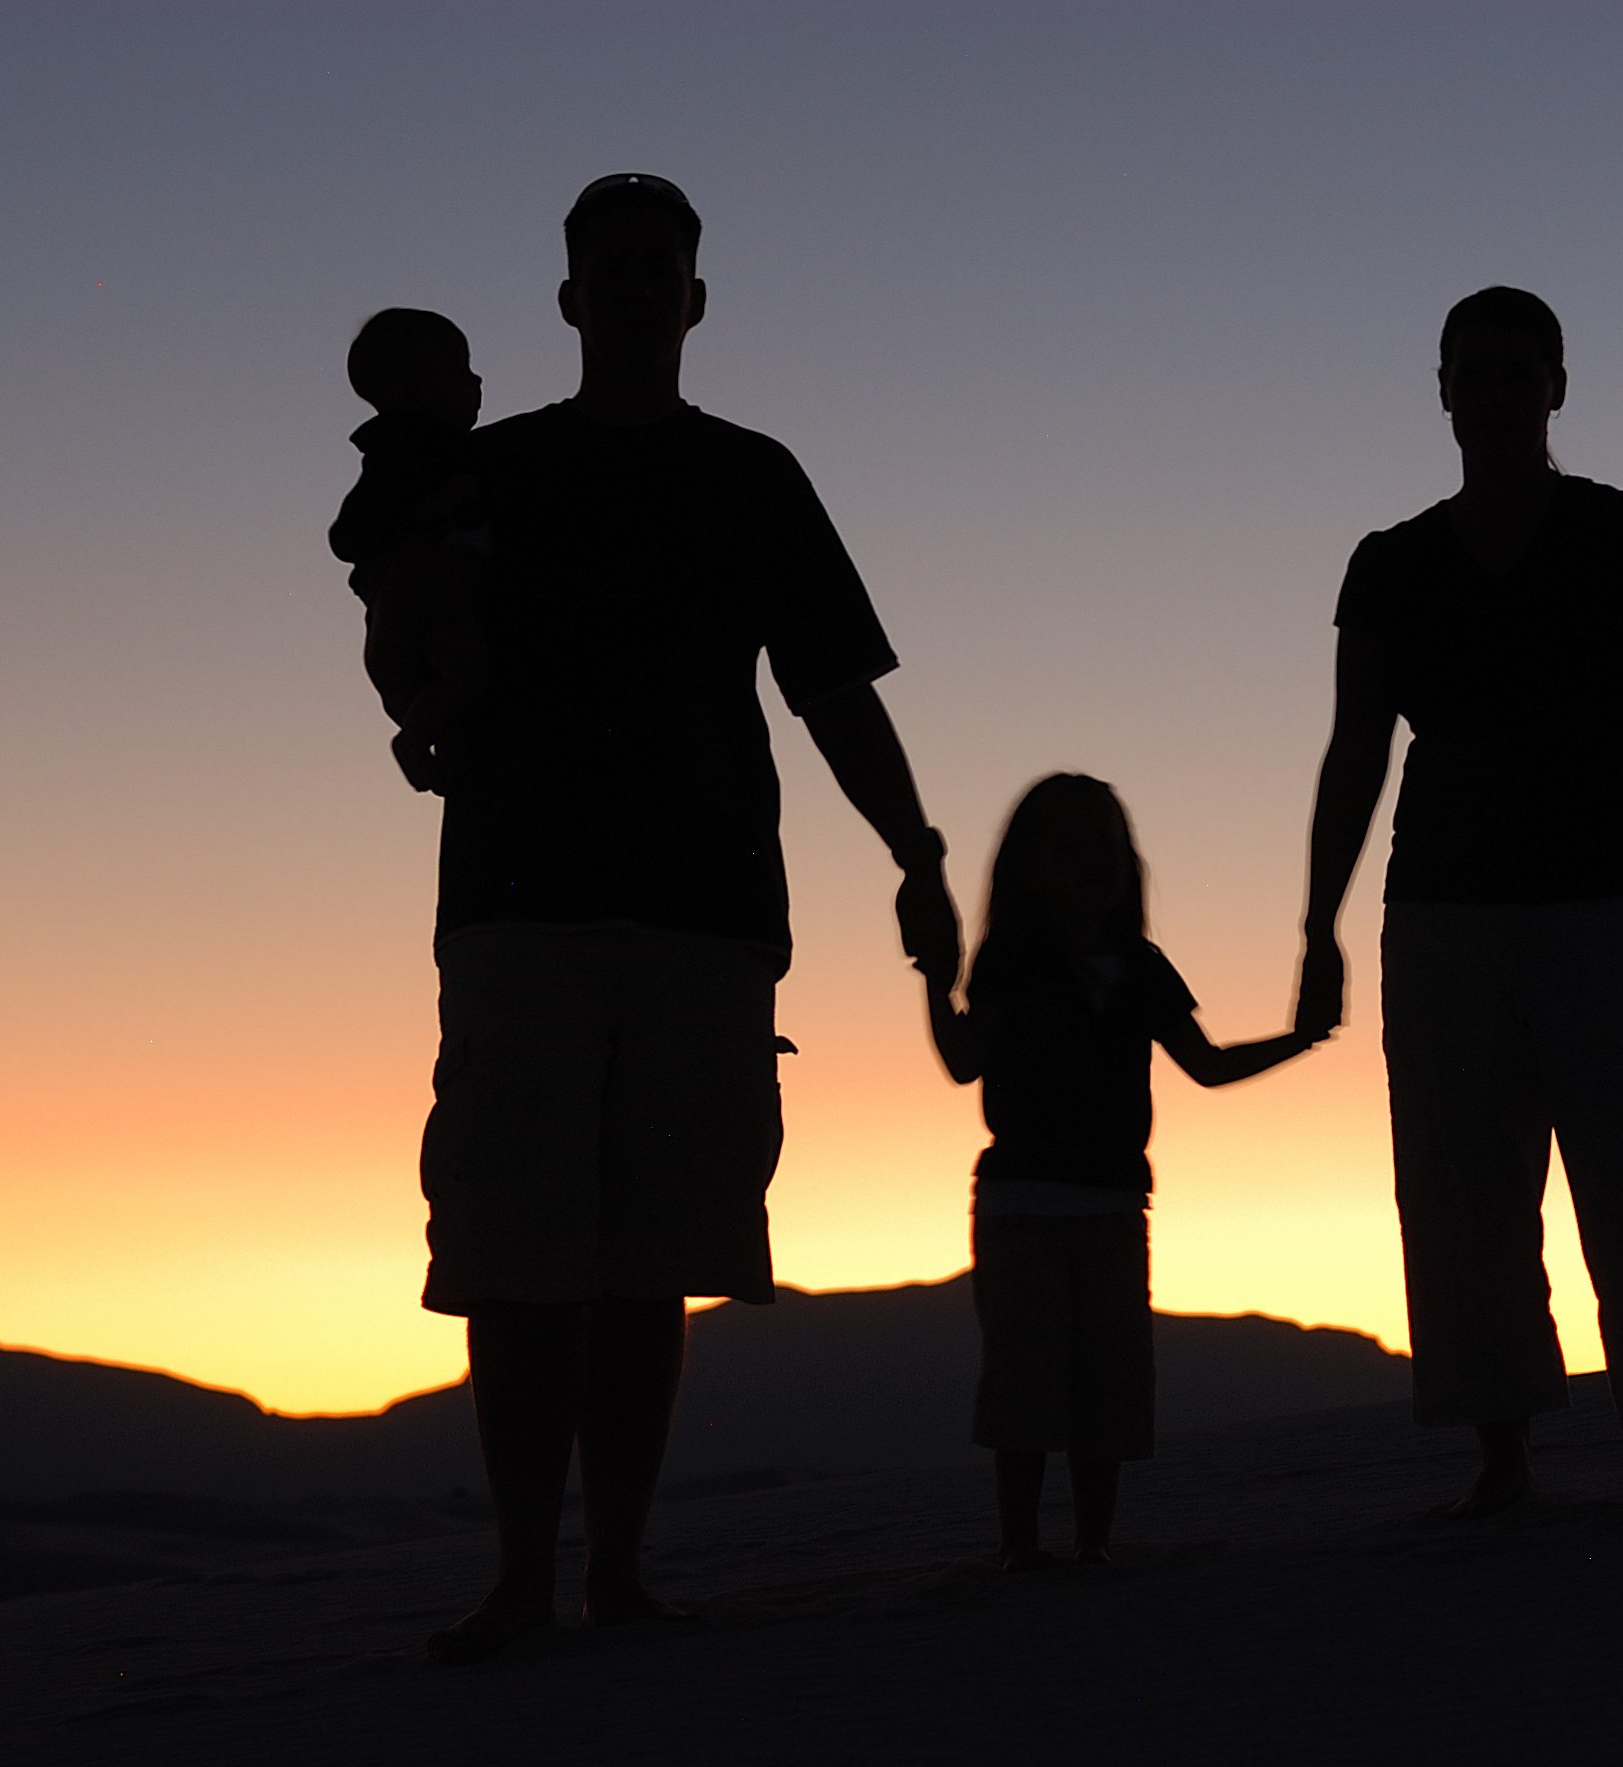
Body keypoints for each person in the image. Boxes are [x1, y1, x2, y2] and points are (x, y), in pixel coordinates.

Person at [371, 173, 963, 1663]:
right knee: (516, 1255)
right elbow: (401, 607)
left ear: (694, 298)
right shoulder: (488, 469)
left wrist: (915, 846)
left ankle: (613, 1570)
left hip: (701, 910)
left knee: (648, 1259)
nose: (634, 289)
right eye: (608, 267)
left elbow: (833, 687)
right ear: (571, 299)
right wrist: (412, 699)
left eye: (658, 267)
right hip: (517, 901)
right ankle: (522, 1575)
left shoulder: (754, 478)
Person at [1293, 286, 1623, 1513]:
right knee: (1462, 1188)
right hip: (1444, 911)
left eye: (1519, 372)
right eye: (1474, 372)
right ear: (1443, 392)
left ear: (1556, 387)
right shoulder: (1392, 565)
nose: (1497, 392)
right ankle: (1502, 1454)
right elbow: (1355, 748)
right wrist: (1315, 926)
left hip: (1604, 896)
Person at [920, 774, 1324, 1569]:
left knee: (1103, 1375)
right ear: (1030, 865)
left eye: (1103, 845)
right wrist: (934, 980)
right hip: (1026, 1203)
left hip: (1108, 1203)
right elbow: (967, 1060)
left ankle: (1089, 1543)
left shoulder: (1139, 966)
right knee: (1030, 1376)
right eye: (1072, 847)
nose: (1093, 862)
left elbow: (1203, 1066)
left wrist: (1297, 1038)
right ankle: (1023, 1545)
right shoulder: (1015, 959)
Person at [327, 306, 491, 793]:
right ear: (415, 390)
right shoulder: (403, 455)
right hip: (428, 600)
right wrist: (428, 516)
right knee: (470, 673)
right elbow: (348, 536)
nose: (476, 380)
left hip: (449, 594)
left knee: (470, 672)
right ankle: (416, 740)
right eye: (460, 370)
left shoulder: (462, 453)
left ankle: (423, 735)